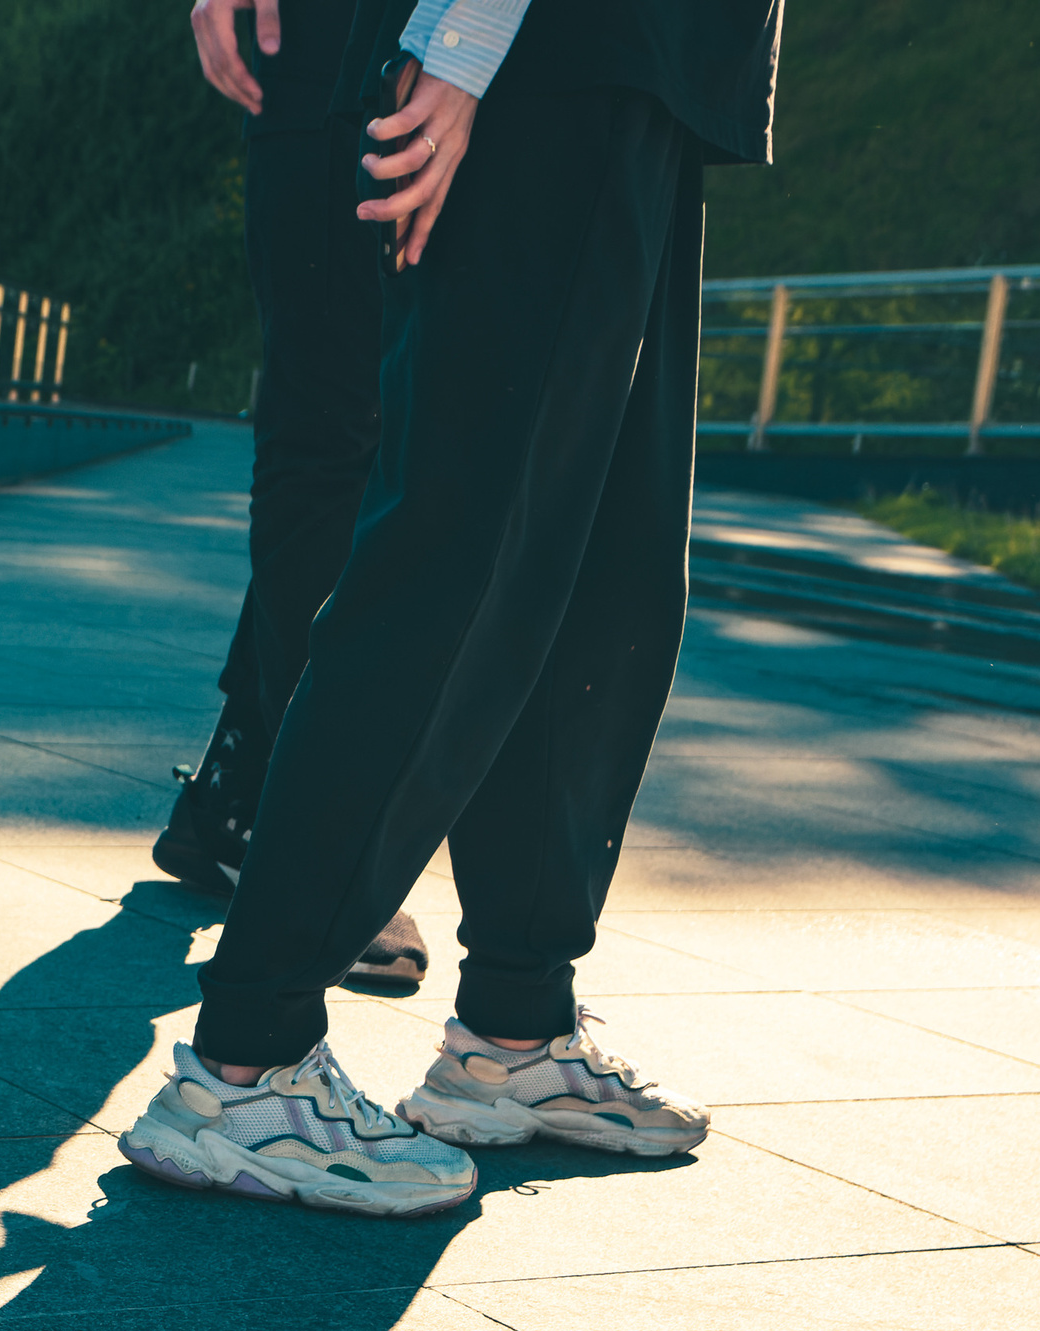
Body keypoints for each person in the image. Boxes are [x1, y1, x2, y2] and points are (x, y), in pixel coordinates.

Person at [123, 0, 782, 1217]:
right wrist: (470, 38)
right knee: (461, 551)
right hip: (551, 53)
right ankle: (244, 1062)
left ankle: (512, 1040)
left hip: (645, 64)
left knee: (601, 577)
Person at [157, 0, 430, 992]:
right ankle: (312, 840)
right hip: (335, 50)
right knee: (334, 435)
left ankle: (239, 791)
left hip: (459, 57)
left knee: (384, 446)